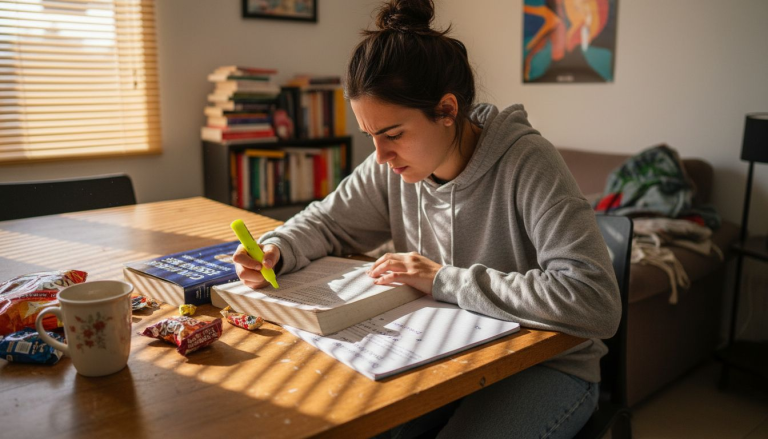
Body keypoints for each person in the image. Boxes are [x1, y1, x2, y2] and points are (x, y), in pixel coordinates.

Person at [233, 0, 621, 437]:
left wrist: (444, 279)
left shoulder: (528, 163)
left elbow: (593, 301)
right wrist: (278, 249)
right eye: (370, 137)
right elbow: (326, 221)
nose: (379, 156)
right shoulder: (395, 167)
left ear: (448, 110)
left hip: (546, 366)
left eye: (393, 134)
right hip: (451, 357)